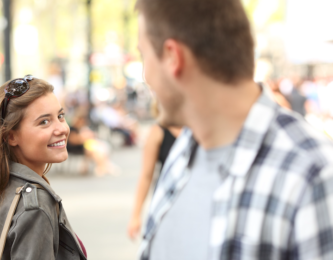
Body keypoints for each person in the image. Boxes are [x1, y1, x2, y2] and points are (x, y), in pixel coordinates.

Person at [135, 0, 333, 259]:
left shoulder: (313, 174)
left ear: (173, 56)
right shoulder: (184, 151)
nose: (144, 74)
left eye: (143, 55)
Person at [0, 76, 87, 260]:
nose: (62, 129)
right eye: (44, 122)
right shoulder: (35, 205)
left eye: (60, 116)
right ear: (11, 136)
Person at [127, 123, 181, 240]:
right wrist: (136, 215)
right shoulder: (158, 131)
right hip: (166, 202)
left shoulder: (197, 129)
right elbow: (146, 175)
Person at [67, 112, 116, 176]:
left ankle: (102, 165)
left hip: (84, 145)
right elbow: (73, 141)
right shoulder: (72, 129)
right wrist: (83, 138)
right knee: (94, 150)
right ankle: (101, 166)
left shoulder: (82, 128)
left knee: (99, 148)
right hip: (76, 147)